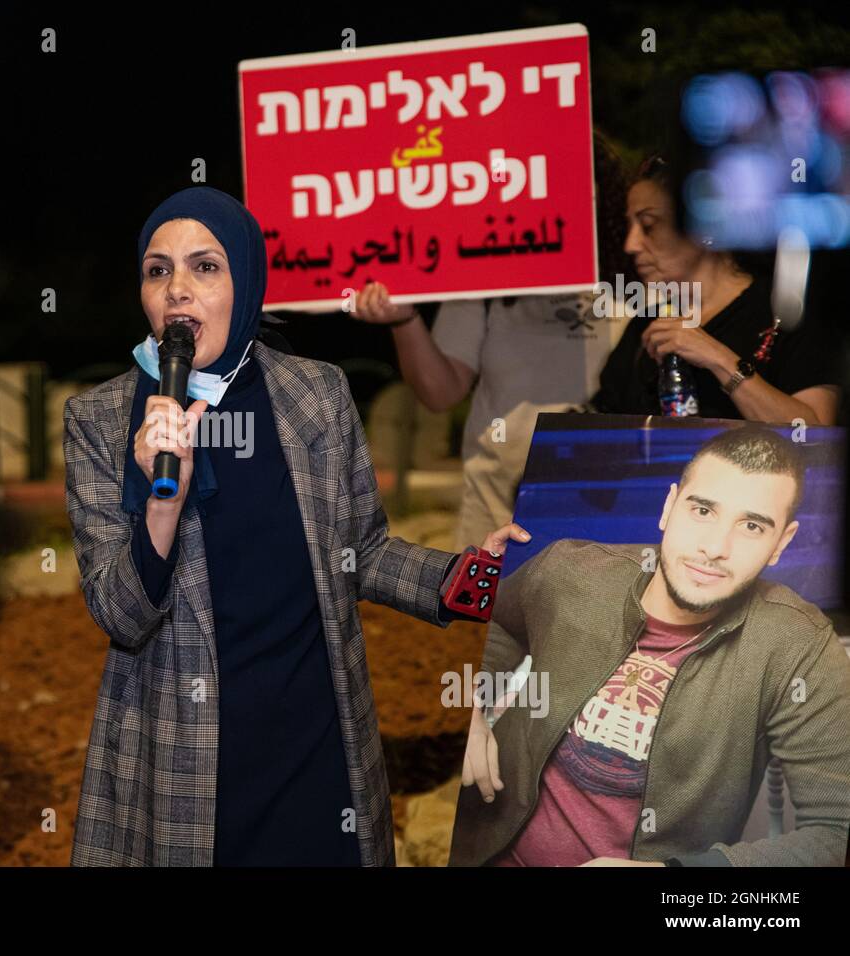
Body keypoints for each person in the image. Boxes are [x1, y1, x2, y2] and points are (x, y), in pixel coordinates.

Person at [63, 185, 527, 866]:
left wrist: (468, 575)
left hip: (316, 743)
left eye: (205, 267)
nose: (177, 290)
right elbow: (122, 617)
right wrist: (161, 503)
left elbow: (360, 551)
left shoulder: (315, 394)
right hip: (186, 759)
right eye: (158, 270)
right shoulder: (102, 422)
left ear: (247, 281)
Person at [450, 426, 850, 866]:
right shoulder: (571, 571)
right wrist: (469, 705)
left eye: (752, 525)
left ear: (782, 543)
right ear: (668, 507)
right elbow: (498, 624)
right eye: (702, 510)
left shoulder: (799, 646)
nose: (715, 548)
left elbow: (836, 831)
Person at [352, 133, 634, 550]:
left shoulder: (642, 281)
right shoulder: (484, 280)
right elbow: (440, 392)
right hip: (496, 526)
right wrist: (404, 320)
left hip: (614, 520)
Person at [591, 155, 840, 424]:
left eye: (649, 226)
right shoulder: (643, 325)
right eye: (630, 227)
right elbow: (603, 434)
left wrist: (717, 358)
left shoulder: (790, 311)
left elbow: (814, 436)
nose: (631, 244)